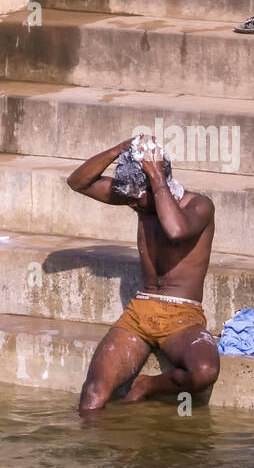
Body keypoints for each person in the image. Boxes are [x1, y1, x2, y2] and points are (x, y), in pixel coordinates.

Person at [66, 136, 220, 413]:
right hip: (139, 313)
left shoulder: (199, 206)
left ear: (158, 180)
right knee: (92, 396)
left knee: (204, 372)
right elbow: (79, 182)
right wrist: (117, 149)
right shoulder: (139, 198)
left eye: (138, 196)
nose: (133, 203)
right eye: (130, 197)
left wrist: (157, 175)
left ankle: (148, 385)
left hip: (182, 318)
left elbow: (176, 232)